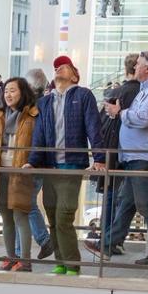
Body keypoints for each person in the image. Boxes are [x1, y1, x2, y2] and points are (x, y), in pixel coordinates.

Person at [95, 48, 148, 266]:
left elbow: (144, 118)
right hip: (137, 155)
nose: (134, 67)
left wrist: (119, 113)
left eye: (138, 64)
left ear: (147, 68)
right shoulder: (147, 88)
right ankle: (108, 244)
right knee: (127, 201)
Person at [29, 55, 100, 274]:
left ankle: (73, 264)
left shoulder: (84, 95)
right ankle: (60, 262)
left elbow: (93, 126)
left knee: (64, 216)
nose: (58, 69)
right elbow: (39, 134)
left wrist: (99, 158)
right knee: (52, 216)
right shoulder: (45, 102)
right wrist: (33, 162)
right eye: (56, 67)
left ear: (75, 74)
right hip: (50, 167)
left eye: (64, 67)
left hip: (72, 166)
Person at [0, 76, 43, 270]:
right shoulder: (0, 116)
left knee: (20, 216)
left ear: (22, 92)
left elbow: (39, 143)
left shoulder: (33, 115)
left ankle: (25, 261)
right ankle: (11, 257)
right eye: (6, 91)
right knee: (6, 218)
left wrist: (32, 164)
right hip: (0, 172)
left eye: (13, 90)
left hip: (21, 173)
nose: (8, 94)